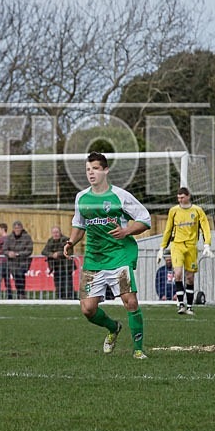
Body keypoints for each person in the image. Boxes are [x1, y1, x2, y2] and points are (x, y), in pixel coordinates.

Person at [63, 151, 151, 360]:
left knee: (130, 302)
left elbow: (145, 218)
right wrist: (70, 242)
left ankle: (138, 349)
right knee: (88, 309)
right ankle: (113, 328)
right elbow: (79, 224)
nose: (90, 173)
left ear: (105, 170)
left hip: (118, 256)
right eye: (87, 169)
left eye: (94, 169)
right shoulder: (82, 197)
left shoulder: (120, 196)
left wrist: (126, 231)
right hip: (94, 258)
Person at [157, 187, 213, 315]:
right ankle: (181, 304)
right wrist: (162, 248)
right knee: (177, 274)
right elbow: (168, 230)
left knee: (190, 278)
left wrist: (207, 245)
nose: (180, 200)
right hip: (177, 245)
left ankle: (189, 306)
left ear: (188, 196)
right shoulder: (174, 211)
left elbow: (205, 228)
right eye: (178, 198)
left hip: (191, 246)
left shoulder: (197, 211)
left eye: (182, 197)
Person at [41, 226, 75, 300]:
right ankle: (60, 298)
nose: (55, 234)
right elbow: (43, 251)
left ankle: (71, 298)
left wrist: (58, 254)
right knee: (58, 284)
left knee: (68, 284)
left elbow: (69, 251)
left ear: (60, 232)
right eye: (54, 233)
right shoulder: (50, 241)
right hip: (55, 266)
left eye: (57, 232)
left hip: (66, 266)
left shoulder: (66, 240)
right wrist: (52, 255)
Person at [5, 220, 33, 299]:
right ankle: (19, 293)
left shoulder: (27, 237)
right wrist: (9, 253)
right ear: (13, 229)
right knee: (16, 277)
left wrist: (18, 254)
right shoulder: (9, 237)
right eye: (15, 228)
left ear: (21, 228)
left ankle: (22, 293)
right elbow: (5, 249)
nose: (17, 230)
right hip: (12, 263)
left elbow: (29, 250)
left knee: (20, 274)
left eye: (18, 228)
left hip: (23, 262)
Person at [0, 223, 12, 299]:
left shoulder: (1, 239)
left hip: (3, 262)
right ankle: (10, 297)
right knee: (7, 281)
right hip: (9, 262)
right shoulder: (11, 238)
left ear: (3, 230)